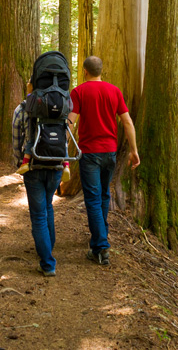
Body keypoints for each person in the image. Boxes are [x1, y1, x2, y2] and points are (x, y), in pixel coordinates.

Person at [68, 56, 140, 265]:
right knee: (103, 194)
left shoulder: (79, 91)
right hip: (110, 152)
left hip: (89, 153)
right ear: (101, 71)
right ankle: (100, 237)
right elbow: (127, 121)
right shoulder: (114, 91)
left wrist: (62, 147)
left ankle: (100, 245)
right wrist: (133, 150)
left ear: (85, 71)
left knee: (93, 198)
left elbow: (70, 123)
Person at [13, 81, 63, 276]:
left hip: (33, 166)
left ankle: (48, 262)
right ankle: (48, 246)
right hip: (56, 164)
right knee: (48, 205)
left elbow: (17, 138)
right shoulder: (59, 106)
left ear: (31, 86)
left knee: (39, 214)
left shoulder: (23, 108)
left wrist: (19, 161)